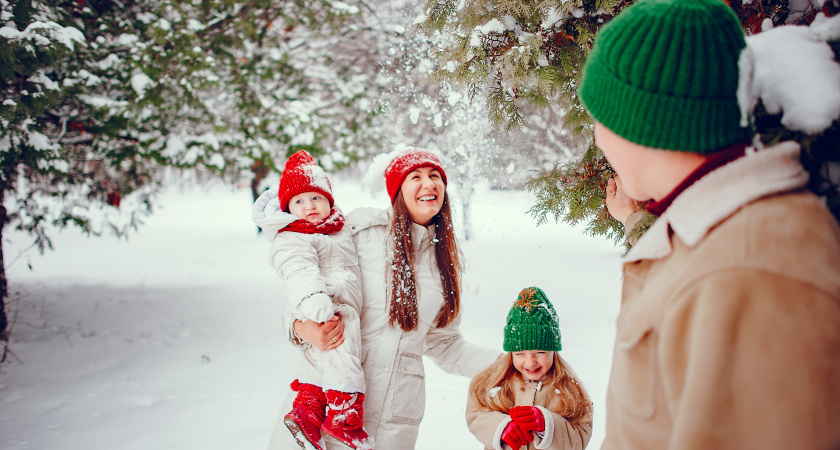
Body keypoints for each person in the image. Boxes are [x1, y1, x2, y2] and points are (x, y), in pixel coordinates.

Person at [578, 0, 840, 448]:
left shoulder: (751, 272)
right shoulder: (715, 236)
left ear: (644, 125)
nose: (597, 137)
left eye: (601, 118)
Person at [263, 146, 500, 449]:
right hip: (326, 402)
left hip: (393, 418)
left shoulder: (448, 261)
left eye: (435, 176)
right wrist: (301, 328)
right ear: (397, 189)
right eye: (416, 176)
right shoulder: (360, 232)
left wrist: (506, 363)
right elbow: (302, 285)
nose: (429, 184)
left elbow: (445, 342)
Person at [252, 150, 372, 450]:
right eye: (299, 201)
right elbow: (298, 272)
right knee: (341, 346)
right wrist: (316, 304)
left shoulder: (338, 228)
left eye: (316, 198)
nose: (309, 207)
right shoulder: (292, 235)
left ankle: (307, 410)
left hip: (329, 306)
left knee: (318, 359)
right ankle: (344, 413)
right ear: (288, 209)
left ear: (329, 199)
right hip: (323, 306)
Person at [466, 287, 593, 450]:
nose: (530, 361)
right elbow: (476, 414)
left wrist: (548, 425)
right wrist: (502, 428)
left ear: (553, 350)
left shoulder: (569, 389)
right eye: (519, 353)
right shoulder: (494, 382)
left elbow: (580, 436)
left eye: (540, 352)